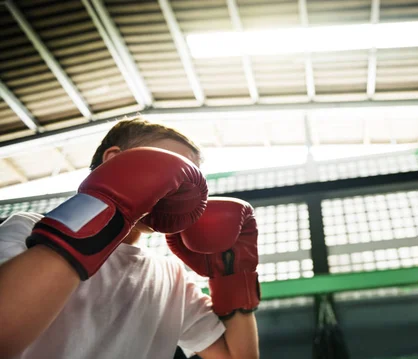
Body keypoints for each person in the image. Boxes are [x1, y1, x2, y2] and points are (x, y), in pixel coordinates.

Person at [0, 117, 260, 359]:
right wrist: (105, 207)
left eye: (191, 180)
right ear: (114, 160)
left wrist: (232, 277)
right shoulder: (29, 231)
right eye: (170, 166)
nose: (181, 189)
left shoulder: (172, 277)